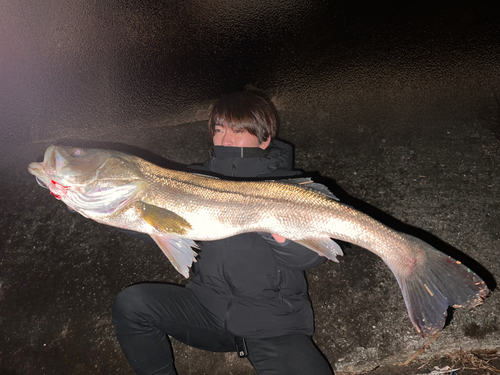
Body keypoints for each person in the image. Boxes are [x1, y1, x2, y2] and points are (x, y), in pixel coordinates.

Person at [112, 91, 334, 374]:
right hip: (206, 312)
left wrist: (277, 228)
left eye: (238, 130)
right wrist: (80, 199)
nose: (226, 140)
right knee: (133, 304)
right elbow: (155, 223)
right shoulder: (192, 181)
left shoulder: (289, 187)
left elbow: (310, 257)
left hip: (272, 324)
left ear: (265, 139)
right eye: (219, 129)